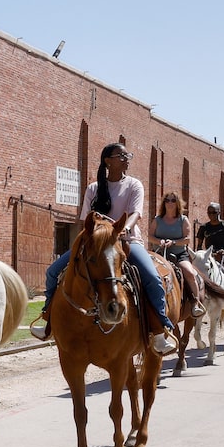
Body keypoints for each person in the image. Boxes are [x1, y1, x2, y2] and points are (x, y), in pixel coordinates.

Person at [36, 143, 178, 355]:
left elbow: (136, 213)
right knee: (53, 271)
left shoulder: (133, 185)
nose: (126, 159)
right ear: (107, 161)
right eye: (121, 155)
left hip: (126, 241)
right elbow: (85, 220)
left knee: (152, 277)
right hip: (94, 244)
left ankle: (159, 329)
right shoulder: (93, 188)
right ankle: (48, 320)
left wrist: (123, 230)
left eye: (127, 155)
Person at [147, 192, 205, 318]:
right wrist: (159, 241)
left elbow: (187, 239)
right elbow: (150, 236)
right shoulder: (157, 219)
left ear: (177, 203)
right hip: (159, 254)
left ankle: (195, 303)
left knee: (189, 273)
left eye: (173, 200)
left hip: (179, 254)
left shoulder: (183, 220)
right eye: (167, 200)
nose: (170, 203)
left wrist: (173, 242)